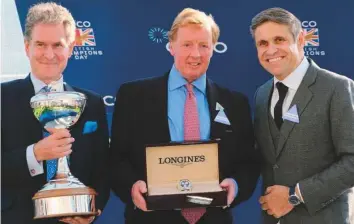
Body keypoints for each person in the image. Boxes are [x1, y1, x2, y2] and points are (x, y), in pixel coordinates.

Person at [110, 7, 260, 224]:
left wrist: (235, 186)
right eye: (187, 45)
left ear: (213, 49)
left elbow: (248, 163)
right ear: (171, 46)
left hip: (214, 218)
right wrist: (132, 187)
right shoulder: (133, 96)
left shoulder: (235, 103)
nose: (195, 54)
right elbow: (116, 159)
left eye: (204, 46)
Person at [1, 2, 110, 224]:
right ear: (26, 47)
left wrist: (92, 209)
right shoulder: (2, 99)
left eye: (58, 45)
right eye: (40, 44)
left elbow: (103, 166)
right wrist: (35, 154)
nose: (49, 54)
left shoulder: (92, 103)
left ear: (70, 48)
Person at [251, 7, 354, 224]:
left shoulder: (337, 88)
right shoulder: (261, 94)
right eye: (263, 43)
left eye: (279, 40)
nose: (271, 50)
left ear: (300, 40)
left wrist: (295, 195)